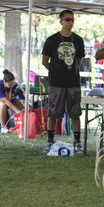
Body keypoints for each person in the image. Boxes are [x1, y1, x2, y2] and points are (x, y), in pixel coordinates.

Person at [41, 9, 85, 153]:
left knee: (75, 113)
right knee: (53, 113)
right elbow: (44, 61)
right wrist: (55, 71)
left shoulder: (78, 40)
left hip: (73, 83)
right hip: (56, 83)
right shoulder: (52, 39)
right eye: (67, 19)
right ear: (61, 21)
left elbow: (79, 60)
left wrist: (71, 70)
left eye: (72, 20)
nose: (70, 22)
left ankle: (77, 142)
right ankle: (49, 141)